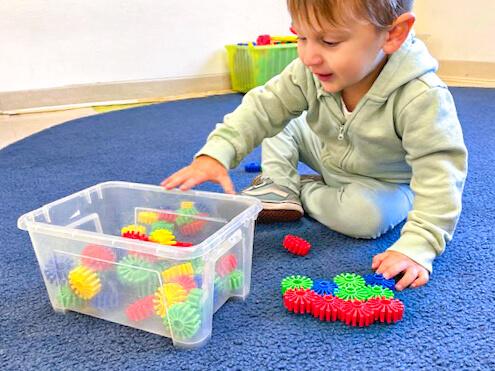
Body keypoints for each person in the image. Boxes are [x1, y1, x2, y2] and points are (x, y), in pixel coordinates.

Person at [161, 0, 468, 291]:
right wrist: (217, 152)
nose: (309, 56)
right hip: (328, 152)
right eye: (302, 37)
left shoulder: (422, 96)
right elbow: (262, 108)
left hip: (383, 182)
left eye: (330, 41)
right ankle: (278, 184)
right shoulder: (309, 71)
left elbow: (440, 173)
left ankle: (299, 190)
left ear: (392, 34)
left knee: (365, 217)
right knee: (278, 122)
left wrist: (419, 245)